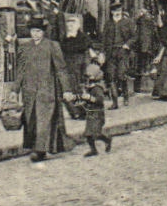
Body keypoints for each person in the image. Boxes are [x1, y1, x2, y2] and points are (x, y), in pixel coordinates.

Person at [14, 15, 75, 161]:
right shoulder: (25, 47)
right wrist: (14, 90)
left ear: (43, 32)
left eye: (39, 31)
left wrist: (66, 89)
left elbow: (61, 69)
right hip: (29, 91)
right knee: (31, 121)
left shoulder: (52, 46)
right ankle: (36, 147)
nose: (35, 34)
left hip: (47, 90)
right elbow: (20, 70)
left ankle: (40, 151)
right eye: (33, 31)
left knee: (44, 121)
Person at [101, 2, 136, 108]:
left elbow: (134, 37)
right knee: (111, 76)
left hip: (123, 52)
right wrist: (102, 53)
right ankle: (115, 102)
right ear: (111, 12)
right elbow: (103, 40)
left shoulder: (128, 22)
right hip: (111, 53)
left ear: (121, 11)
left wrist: (127, 45)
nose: (117, 13)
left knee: (121, 75)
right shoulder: (108, 24)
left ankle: (125, 97)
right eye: (115, 11)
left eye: (119, 11)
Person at [78, 60, 112, 157]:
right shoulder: (89, 87)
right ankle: (93, 150)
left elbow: (100, 100)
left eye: (89, 77)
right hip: (91, 113)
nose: (87, 79)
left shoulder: (97, 88)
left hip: (97, 114)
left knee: (96, 133)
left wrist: (89, 98)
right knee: (88, 133)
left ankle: (107, 139)